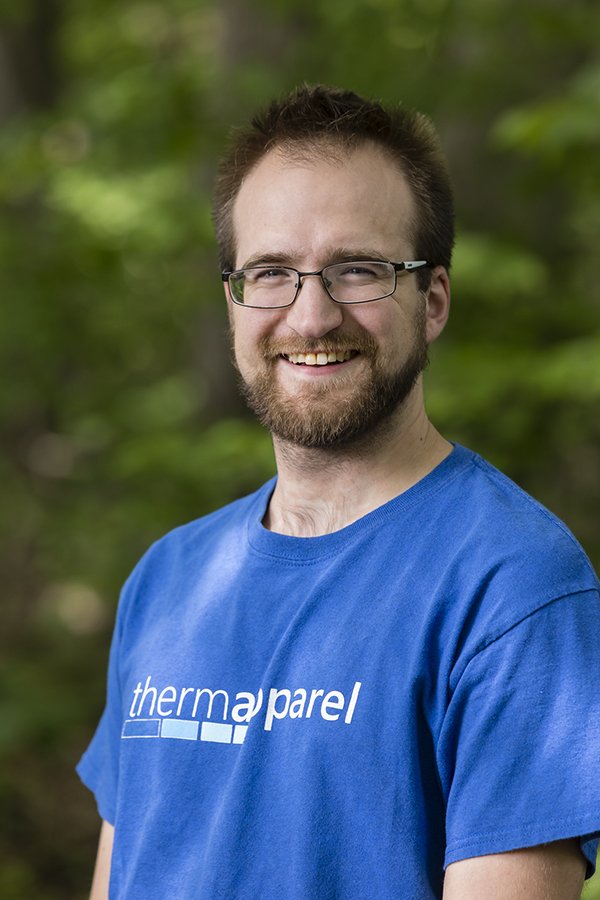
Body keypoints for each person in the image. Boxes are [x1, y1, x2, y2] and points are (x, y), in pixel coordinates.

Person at [78, 84, 600, 899]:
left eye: (358, 269)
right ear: (233, 300)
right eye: (272, 272)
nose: (311, 315)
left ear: (431, 301)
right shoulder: (168, 579)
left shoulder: (514, 588)